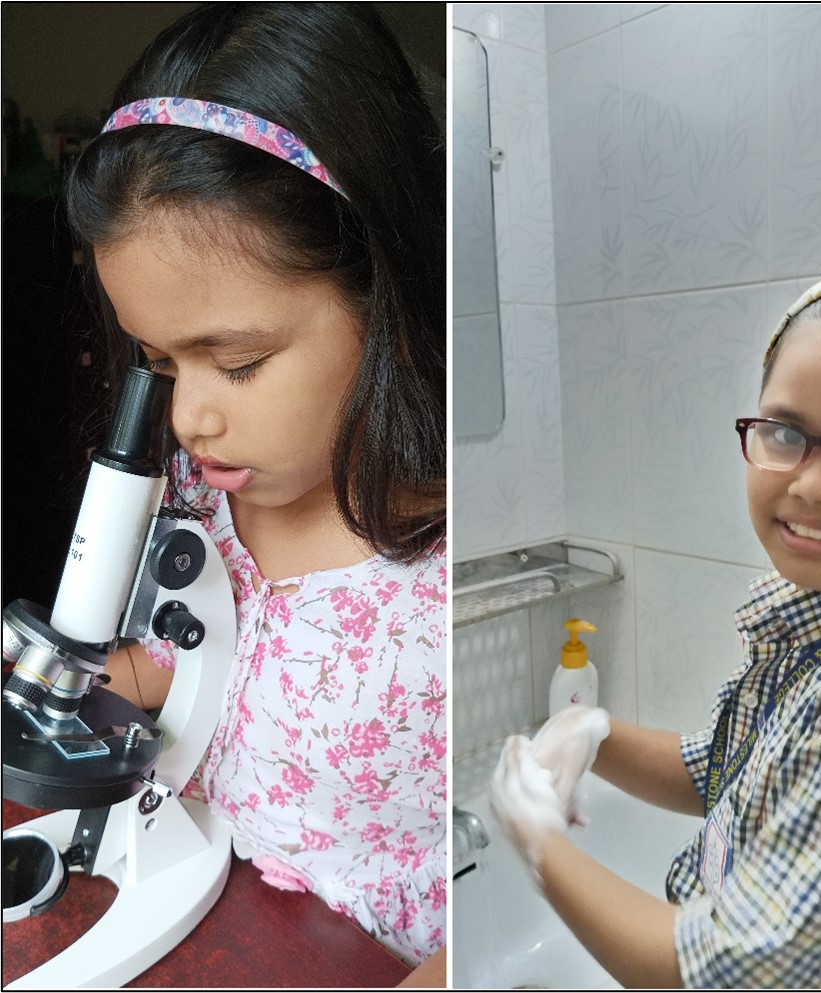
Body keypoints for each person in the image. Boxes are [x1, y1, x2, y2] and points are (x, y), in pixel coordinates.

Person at [64, 3, 446, 984]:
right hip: (184, 921)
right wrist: (69, 686)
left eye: (236, 363)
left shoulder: (452, 576)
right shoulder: (199, 489)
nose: (188, 417)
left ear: (386, 290)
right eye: (156, 360)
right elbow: (174, 686)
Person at [490, 240, 821, 988]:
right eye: (784, 431)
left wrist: (541, 845)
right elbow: (730, 768)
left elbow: (733, 971)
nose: (810, 483)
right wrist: (595, 731)